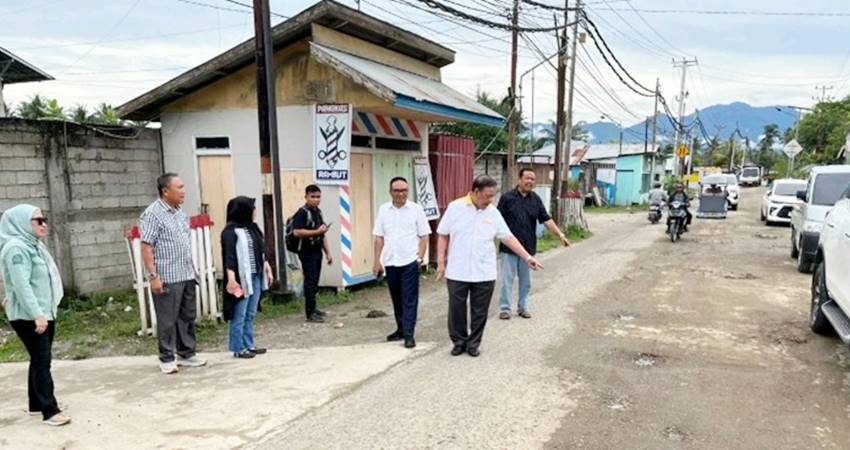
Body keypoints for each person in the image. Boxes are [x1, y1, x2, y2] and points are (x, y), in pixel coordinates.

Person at [436, 175, 542, 357]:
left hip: (484, 271)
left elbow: (507, 237)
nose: (490, 200)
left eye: (493, 196)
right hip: (457, 270)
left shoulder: (492, 212)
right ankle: (459, 341)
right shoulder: (455, 208)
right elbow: (443, 235)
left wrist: (526, 257)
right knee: (456, 310)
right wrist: (440, 262)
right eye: (487, 196)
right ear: (475, 192)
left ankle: (473, 344)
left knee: (480, 311)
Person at [0, 205, 70, 426]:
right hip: (30, 315)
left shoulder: (33, 245)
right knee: (42, 361)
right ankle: (50, 410)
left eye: (44, 219)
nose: (44, 224)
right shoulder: (16, 248)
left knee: (39, 358)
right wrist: (37, 314)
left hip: (42, 312)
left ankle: (35, 404)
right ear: (21, 223)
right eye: (38, 220)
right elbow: (21, 285)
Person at [139, 173, 207, 374]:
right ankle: (167, 357)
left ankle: (186, 354)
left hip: (185, 273)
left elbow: (184, 244)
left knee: (187, 316)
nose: (183, 191)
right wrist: (153, 276)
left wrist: (192, 269)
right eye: (179, 187)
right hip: (167, 276)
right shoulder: (152, 214)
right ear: (165, 191)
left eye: (183, 186)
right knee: (167, 319)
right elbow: (146, 246)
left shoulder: (180, 212)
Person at [496, 168, 569, 320]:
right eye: (527, 178)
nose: (530, 181)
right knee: (506, 281)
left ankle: (523, 308)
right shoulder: (506, 198)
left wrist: (560, 235)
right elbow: (496, 221)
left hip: (528, 249)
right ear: (519, 180)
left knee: (526, 282)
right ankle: (505, 309)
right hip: (508, 249)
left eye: (532, 179)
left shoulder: (535, 199)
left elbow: (546, 219)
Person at [372, 177, 430, 349]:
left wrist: (420, 257)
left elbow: (424, 236)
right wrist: (377, 261)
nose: (401, 194)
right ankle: (400, 329)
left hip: (409, 261)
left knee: (409, 299)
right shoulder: (384, 210)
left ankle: (409, 335)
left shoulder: (416, 210)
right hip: (391, 261)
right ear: (390, 192)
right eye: (397, 190)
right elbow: (379, 238)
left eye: (404, 190)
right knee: (396, 297)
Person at [221, 196, 274, 359]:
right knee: (240, 313)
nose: (254, 211)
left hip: (256, 275)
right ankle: (238, 348)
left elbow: (262, 250)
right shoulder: (230, 232)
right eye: (252, 208)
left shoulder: (253, 228)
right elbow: (229, 257)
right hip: (241, 278)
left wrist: (267, 268)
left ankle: (248, 344)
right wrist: (231, 279)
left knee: (251, 312)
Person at [292, 184, 333, 323]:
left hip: (317, 251)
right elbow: (296, 232)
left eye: (318, 197)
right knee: (310, 282)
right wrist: (317, 232)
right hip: (306, 252)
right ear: (306, 197)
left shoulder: (318, 212)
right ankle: (310, 313)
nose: (316, 199)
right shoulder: (302, 212)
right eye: (313, 197)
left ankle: (314, 309)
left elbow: (323, 234)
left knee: (315, 281)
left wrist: (328, 253)